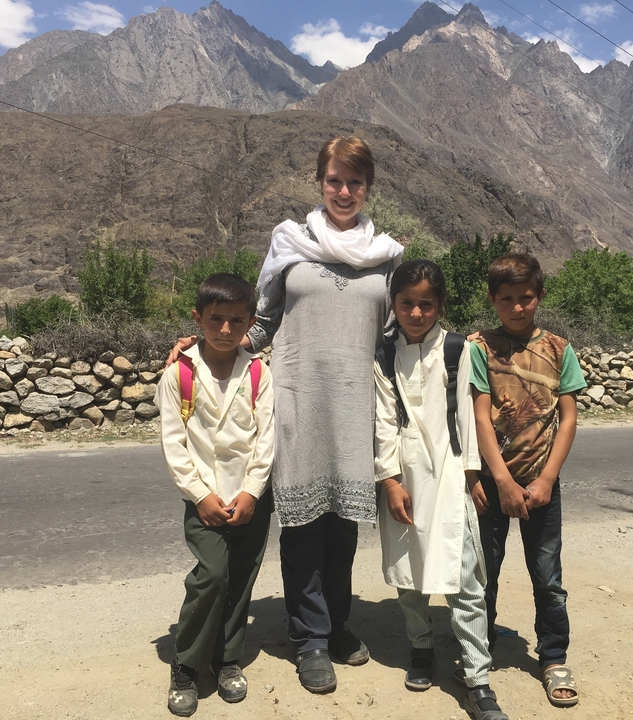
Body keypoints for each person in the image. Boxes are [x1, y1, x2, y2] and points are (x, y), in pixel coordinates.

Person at [169, 136, 403, 693]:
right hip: (296, 401)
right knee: (301, 529)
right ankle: (310, 640)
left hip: (355, 408)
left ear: (369, 186)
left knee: (343, 531)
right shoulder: (289, 240)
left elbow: (397, 334)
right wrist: (203, 348)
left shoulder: (389, 256)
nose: (344, 191)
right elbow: (261, 321)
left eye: (355, 182)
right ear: (319, 182)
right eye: (333, 180)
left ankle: (337, 623)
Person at [375, 260, 509, 720]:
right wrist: (390, 480)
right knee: (409, 571)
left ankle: (478, 678)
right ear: (393, 303)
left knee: (465, 575)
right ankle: (421, 648)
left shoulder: (457, 350)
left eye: (426, 304)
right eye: (407, 303)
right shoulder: (383, 353)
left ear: (440, 305)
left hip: (451, 474)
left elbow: (472, 417)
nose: (416, 312)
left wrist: (473, 475)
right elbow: (383, 420)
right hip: (403, 475)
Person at [467, 254, 587, 709]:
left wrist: (546, 480)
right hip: (494, 485)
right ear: (494, 300)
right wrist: (499, 479)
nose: (517, 308)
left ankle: (553, 655)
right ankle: (479, 652)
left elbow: (569, 418)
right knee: (484, 573)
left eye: (526, 298)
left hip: (542, 485)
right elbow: (480, 415)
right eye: (507, 300)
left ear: (539, 296)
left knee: (547, 576)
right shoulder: (480, 347)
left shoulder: (559, 349)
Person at [156, 273, 275, 717]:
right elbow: (174, 442)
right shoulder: (178, 374)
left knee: (241, 577)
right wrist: (200, 494)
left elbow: (266, 439)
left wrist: (252, 491)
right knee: (213, 575)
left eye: (236, 321)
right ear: (198, 318)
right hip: (202, 499)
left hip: (250, 498)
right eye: (216, 319)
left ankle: (227, 660)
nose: (226, 330)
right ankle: (186, 664)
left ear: (251, 322)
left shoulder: (260, 372)